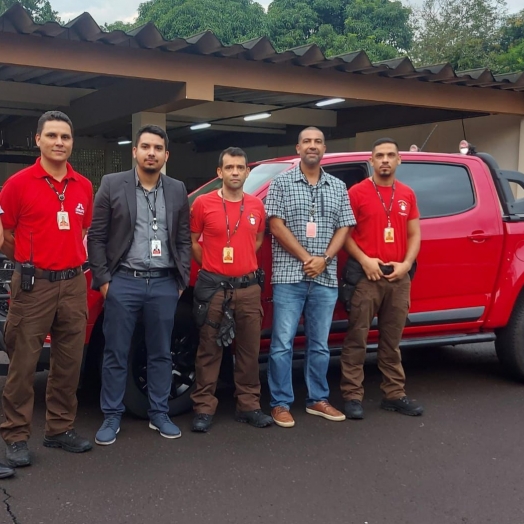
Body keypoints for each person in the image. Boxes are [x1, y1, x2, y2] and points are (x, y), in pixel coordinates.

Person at [0, 111, 94, 468]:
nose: (59, 142)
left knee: (69, 363)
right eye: (52, 135)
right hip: (32, 285)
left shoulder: (84, 185)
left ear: (72, 142)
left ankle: (59, 429)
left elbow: (81, 231)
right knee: (23, 365)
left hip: (73, 284)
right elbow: (5, 235)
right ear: (37, 140)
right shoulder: (18, 184)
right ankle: (16, 435)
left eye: (65, 137)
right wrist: (29, 259)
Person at [88, 124, 191, 445]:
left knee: (160, 352)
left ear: (166, 155)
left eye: (157, 148)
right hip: (124, 283)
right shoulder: (112, 184)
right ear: (135, 151)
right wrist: (105, 282)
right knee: (116, 352)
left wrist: (180, 280)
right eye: (145, 147)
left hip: (163, 284)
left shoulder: (176, 189)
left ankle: (159, 413)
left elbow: (185, 239)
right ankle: (112, 415)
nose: (151, 153)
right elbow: (97, 237)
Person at [265, 127, 355, 428]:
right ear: (298, 147)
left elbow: (345, 226)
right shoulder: (280, 183)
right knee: (281, 344)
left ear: (324, 148)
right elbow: (275, 225)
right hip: (289, 276)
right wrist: (307, 259)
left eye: (317, 142)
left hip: (325, 278)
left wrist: (325, 259)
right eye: (307, 142)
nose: (312, 146)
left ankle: (318, 399)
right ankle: (280, 403)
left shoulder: (338, 186)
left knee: (319, 344)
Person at [190, 147, 273, 432]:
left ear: (247, 172)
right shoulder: (202, 203)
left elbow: (258, 240)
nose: (235, 172)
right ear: (219, 172)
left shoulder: (255, 206)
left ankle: (248, 406)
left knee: (249, 351)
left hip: (248, 289)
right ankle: (203, 407)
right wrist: (214, 266)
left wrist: (239, 266)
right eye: (229, 168)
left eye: (240, 167)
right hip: (214, 289)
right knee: (208, 350)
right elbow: (192, 241)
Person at [340, 138, 423, 419]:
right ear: (371, 161)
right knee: (357, 338)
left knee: (392, 340)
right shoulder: (356, 193)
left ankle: (394, 394)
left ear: (399, 160)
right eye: (379, 156)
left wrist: (407, 264)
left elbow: (414, 234)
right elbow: (344, 235)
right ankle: (352, 396)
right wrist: (365, 260)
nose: (385, 160)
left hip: (399, 276)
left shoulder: (408, 194)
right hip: (366, 276)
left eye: (390, 155)